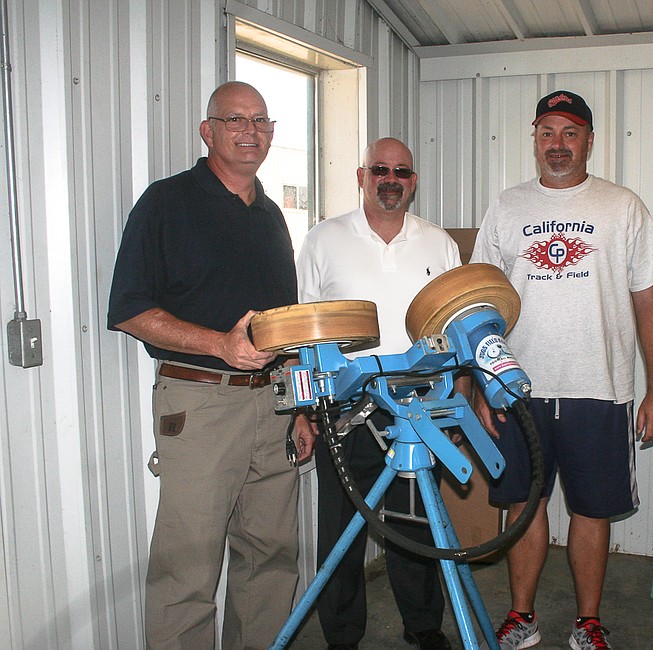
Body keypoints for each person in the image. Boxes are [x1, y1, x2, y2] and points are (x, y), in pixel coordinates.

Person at [107, 81, 314, 649]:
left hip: (274, 405)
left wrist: (300, 407)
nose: (250, 132)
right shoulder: (166, 203)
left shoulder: (272, 215)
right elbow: (129, 311)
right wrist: (219, 345)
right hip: (200, 406)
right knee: (187, 568)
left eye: (260, 122)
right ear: (209, 131)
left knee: (271, 560)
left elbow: (284, 322)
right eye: (235, 120)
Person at [471, 90, 653, 650]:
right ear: (535, 138)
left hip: (599, 389)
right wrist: (478, 386)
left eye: (570, 132)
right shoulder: (507, 207)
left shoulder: (622, 206)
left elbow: (647, 302)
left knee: (592, 509)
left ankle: (588, 623)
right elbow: (477, 304)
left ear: (589, 140)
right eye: (547, 133)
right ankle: (522, 617)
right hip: (516, 389)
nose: (557, 145)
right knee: (523, 503)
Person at [295, 137, 461, 650]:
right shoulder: (322, 240)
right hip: (345, 407)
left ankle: (424, 628)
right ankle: (342, 637)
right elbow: (304, 332)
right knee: (341, 532)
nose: (391, 179)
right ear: (362, 176)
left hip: (417, 408)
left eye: (402, 172)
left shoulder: (441, 245)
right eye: (380, 170)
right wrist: (305, 412)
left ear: (414, 182)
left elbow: (456, 327)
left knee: (416, 525)